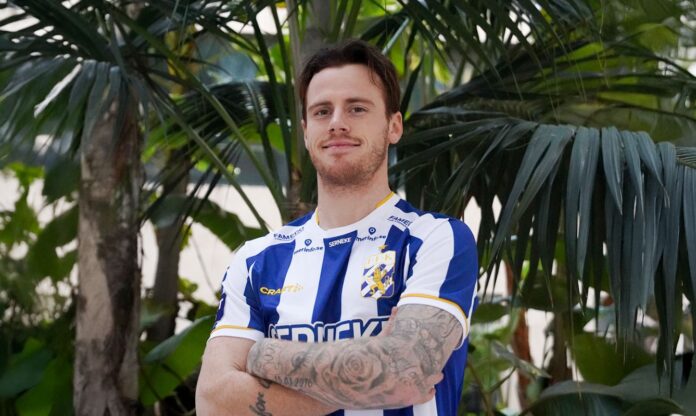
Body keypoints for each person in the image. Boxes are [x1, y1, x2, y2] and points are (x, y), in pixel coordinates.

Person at [196, 39, 478, 416]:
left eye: (357, 108)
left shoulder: (434, 239)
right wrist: (374, 377)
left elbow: (404, 372)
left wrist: (262, 354)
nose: (337, 123)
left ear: (394, 126)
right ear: (305, 131)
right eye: (322, 111)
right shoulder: (257, 260)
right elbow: (213, 401)